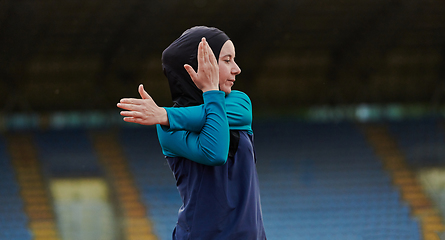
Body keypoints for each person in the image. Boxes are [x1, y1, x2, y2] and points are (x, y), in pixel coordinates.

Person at [117, 26, 266, 240]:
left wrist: (166, 115)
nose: (237, 69)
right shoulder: (169, 131)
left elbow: (208, 116)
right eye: (227, 60)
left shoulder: (239, 102)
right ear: (197, 67)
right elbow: (215, 153)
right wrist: (210, 92)